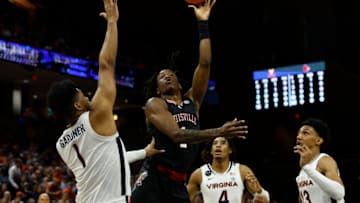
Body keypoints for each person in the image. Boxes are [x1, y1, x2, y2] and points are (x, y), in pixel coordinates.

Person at [130, 0, 248, 202]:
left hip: (178, 182)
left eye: (170, 75)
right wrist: (219, 132)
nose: (167, 77)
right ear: (158, 89)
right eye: (161, 77)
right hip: (154, 178)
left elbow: (205, 63)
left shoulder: (192, 101)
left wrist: (203, 24)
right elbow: (177, 135)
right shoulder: (155, 104)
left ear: (180, 84)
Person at [46, 0, 163, 202]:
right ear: (77, 105)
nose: (87, 95)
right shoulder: (96, 117)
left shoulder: (61, 144)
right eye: (81, 94)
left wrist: (145, 152)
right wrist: (112, 22)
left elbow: (110, 161)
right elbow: (106, 65)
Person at [186, 136, 270, 203]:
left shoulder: (242, 171)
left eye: (223, 143)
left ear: (230, 150)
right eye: (215, 143)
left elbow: (265, 198)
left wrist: (260, 193)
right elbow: (187, 198)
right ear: (211, 151)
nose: (218, 145)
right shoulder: (198, 174)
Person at [293, 118, 345, 203]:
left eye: (305, 133)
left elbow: (339, 193)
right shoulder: (303, 170)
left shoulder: (324, 160)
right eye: (298, 133)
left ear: (318, 140)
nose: (298, 137)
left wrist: (307, 168)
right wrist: (306, 167)